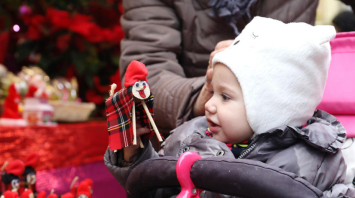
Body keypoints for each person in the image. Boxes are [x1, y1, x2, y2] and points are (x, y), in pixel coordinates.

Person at [107, 17, 355, 198]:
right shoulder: (192, 136)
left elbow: (334, 197)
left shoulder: (314, 155)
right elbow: (151, 184)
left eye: (225, 97)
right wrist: (131, 149)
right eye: (212, 92)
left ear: (271, 107)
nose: (209, 105)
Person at [120, 0, 355, 134]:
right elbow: (146, 72)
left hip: (287, 132)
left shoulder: (313, 150)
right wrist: (205, 94)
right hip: (200, 136)